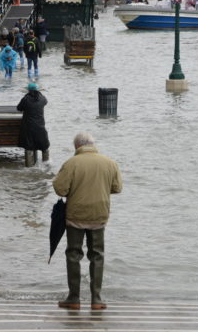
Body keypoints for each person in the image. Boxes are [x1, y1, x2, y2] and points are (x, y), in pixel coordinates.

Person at [53, 132, 123, 310]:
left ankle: (74, 298)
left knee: (73, 255)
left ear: (77, 146)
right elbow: (117, 188)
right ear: (93, 145)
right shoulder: (110, 163)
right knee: (97, 255)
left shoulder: (71, 163)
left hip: (76, 215)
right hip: (99, 214)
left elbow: (60, 189)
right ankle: (97, 299)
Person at [17, 83, 50, 161]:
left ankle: (29, 166)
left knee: (29, 147)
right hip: (40, 127)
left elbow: (19, 108)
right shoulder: (42, 98)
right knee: (44, 146)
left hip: (28, 128)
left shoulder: (25, 99)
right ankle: (46, 165)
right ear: (37, 90)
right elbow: (45, 102)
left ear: (28, 90)